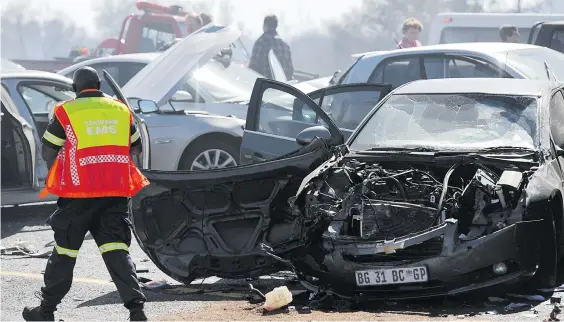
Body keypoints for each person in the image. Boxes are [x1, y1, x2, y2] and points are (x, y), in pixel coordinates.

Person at [22, 67, 150, 321]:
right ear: (99, 84)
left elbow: (48, 151)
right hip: (114, 191)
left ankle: (46, 311)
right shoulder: (120, 110)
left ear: (75, 87)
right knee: (116, 250)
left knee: (65, 252)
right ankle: (137, 311)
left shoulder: (66, 111)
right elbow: (135, 148)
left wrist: (59, 171)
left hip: (78, 194)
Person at [249, 15, 294, 80]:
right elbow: (290, 70)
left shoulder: (260, 42)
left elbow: (253, 68)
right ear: (276, 26)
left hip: (266, 87)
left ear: (265, 26)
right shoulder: (284, 45)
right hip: (283, 87)